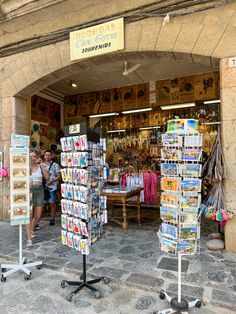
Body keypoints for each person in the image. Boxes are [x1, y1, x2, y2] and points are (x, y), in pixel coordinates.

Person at [26, 151, 49, 248]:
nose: (33, 158)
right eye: (31, 157)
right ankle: (29, 239)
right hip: (29, 191)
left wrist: (43, 168)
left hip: (39, 190)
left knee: (38, 215)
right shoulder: (26, 168)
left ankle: (31, 229)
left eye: (35, 156)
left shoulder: (40, 166)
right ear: (28, 157)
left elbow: (47, 178)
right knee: (29, 215)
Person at [42, 150, 61, 225]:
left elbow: (59, 177)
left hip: (52, 187)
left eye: (49, 155)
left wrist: (51, 181)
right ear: (44, 156)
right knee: (41, 204)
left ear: (51, 156)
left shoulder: (55, 165)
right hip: (43, 188)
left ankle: (52, 219)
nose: (47, 157)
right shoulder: (41, 165)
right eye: (46, 155)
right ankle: (37, 221)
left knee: (52, 203)